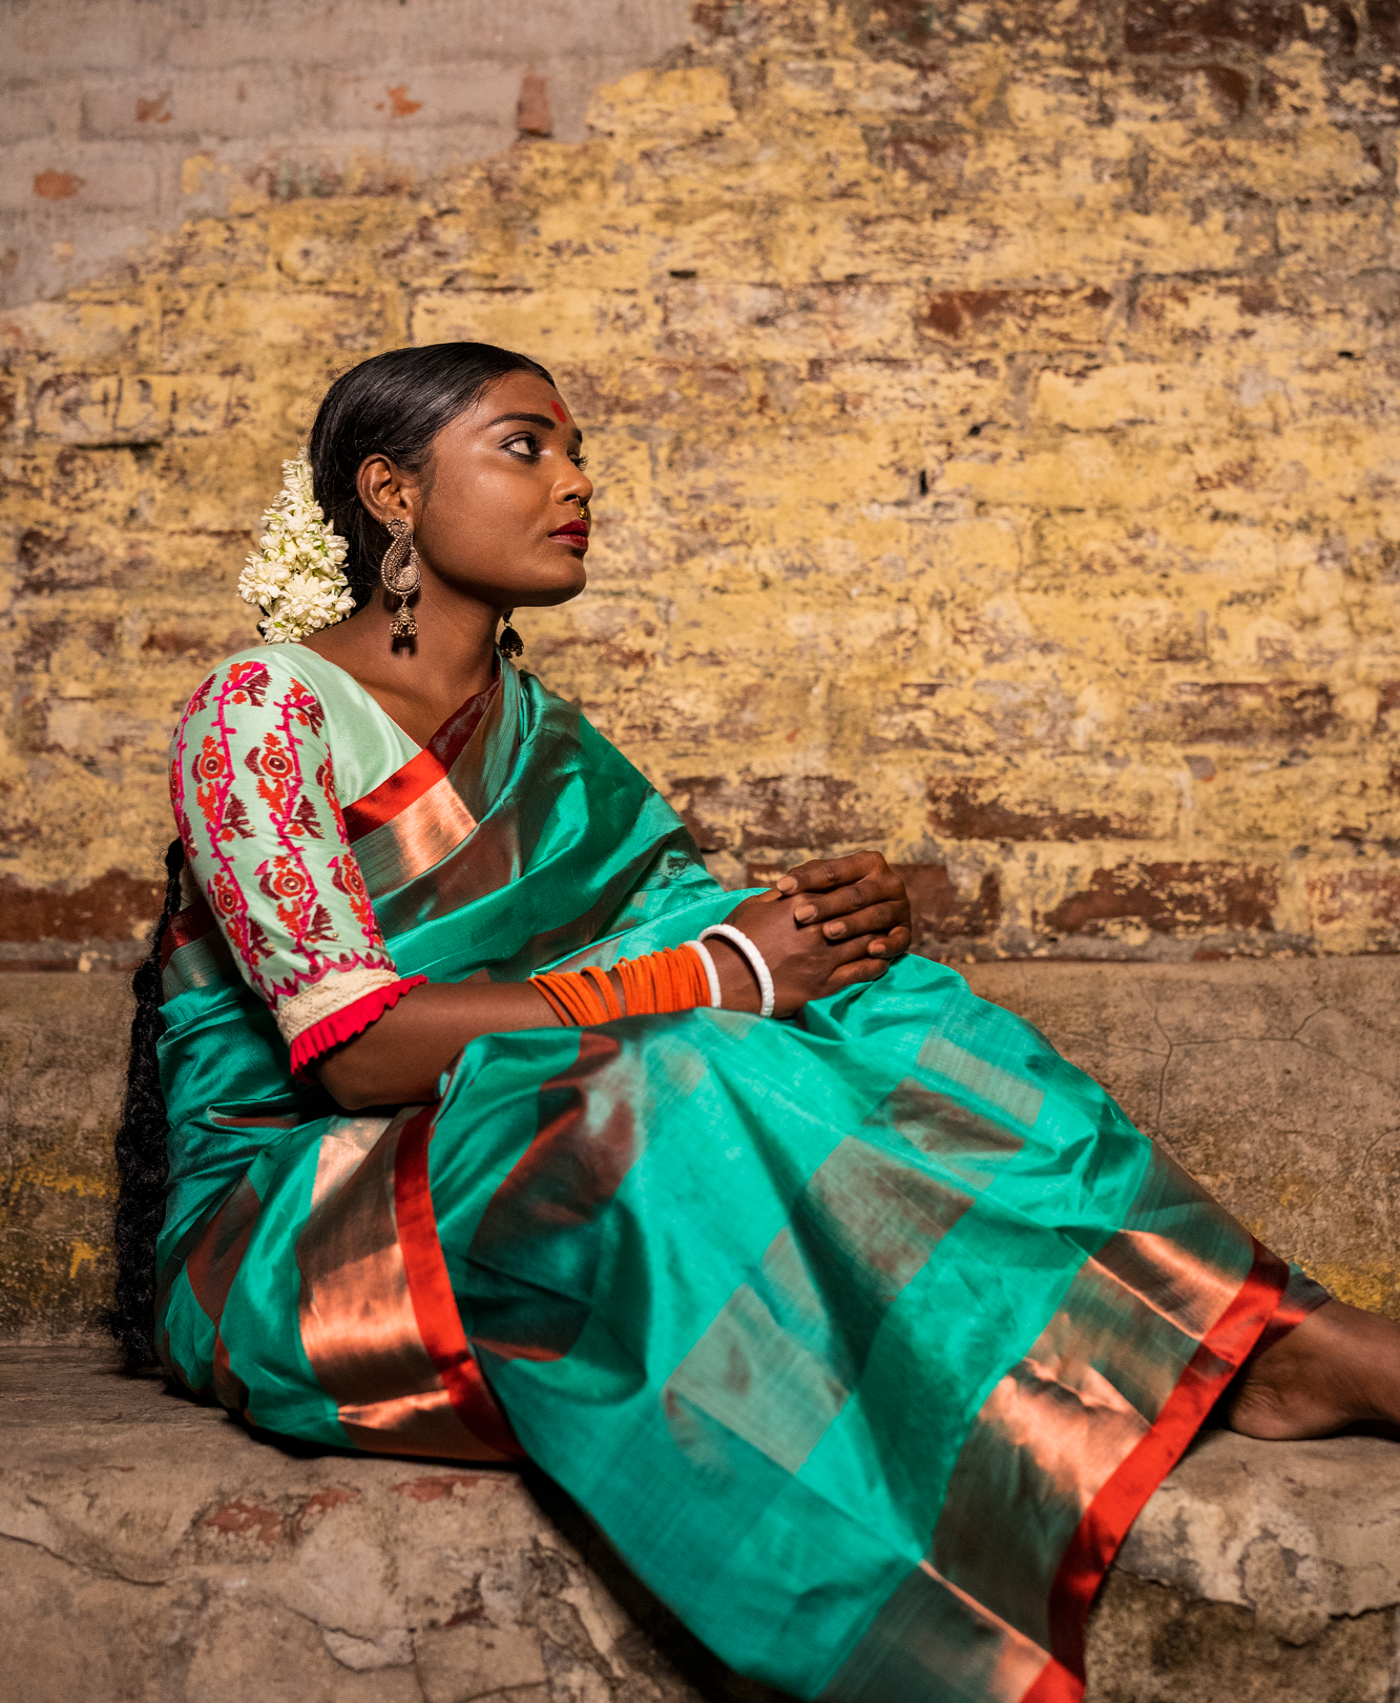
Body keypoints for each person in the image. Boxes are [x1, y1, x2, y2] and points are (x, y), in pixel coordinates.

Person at [112, 341, 1400, 1703]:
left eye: (575, 448)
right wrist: (725, 971)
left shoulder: (542, 735)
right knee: (659, 1083)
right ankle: (905, 1636)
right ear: (390, 493)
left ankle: (1259, 1343)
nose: (576, 479)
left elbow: (676, 934)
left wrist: (825, 938)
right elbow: (357, 1050)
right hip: (302, 1215)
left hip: (496, 1148)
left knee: (878, 1009)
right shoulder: (261, 710)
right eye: (523, 447)